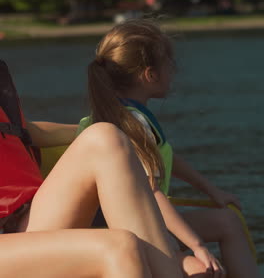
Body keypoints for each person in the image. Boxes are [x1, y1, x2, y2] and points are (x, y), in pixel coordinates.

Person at [78, 18, 260, 278]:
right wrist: (197, 245)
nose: (174, 71)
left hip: (144, 223)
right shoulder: (132, 122)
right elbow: (151, 193)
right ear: (150, 75)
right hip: (128, 232)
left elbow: (166, 156)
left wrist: (212, 190)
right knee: (202, 268)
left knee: (228, 222)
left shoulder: (107, 118)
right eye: (169, 65)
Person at [0, 60, 191, 278]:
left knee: (105, 137)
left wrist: (119, 130)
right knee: (120, 247)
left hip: (24, 221)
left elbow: (24, 132)